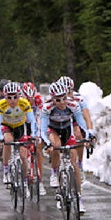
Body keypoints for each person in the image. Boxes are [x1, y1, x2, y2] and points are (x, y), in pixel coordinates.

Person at [41, 81, 90, 213]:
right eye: (58, 100)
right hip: (53, 130)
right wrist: (47, 143)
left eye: (64, 98)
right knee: (56, 146)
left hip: (67, 130)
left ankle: (79, 199)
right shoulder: (47, 107)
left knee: (74, 163)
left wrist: (88, 135)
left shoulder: (73, 105)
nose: (62, 102)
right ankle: (54, 173)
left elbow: (81, 123)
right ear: (52, 99)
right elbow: (43, 129)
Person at [0, 82, 37, 186]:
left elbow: (32, 121)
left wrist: (34, 135)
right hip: (7, 126)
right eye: (9, 97)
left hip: (19, 127)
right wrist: (0, 138)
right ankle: (6, 171)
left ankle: (25, 179)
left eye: (15, 97)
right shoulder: (1, 104)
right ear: (5, 97)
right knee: (8, 141)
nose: (12, 100)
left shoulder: (24, 103)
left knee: (23, 155)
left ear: (19, 96)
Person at [57, 76, 96, 181]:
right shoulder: (55, 100)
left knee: (78, 134)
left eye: (69, 92)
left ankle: (79, 164)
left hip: (73, 120)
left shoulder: (78, 98)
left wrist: (90, 132)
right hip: (59, 121)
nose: (67, 95)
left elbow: (87, 116)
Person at [22, 82, 46, 196]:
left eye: (31, 98)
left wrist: (39, 134)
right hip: (23, 123)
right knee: (24, 151)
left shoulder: (38, 100)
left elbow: (42, 117)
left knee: (38, 150)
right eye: (28, 98)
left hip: (35, 122)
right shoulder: (20, 102)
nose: (30, 101)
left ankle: (40, 181)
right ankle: (25, 180)